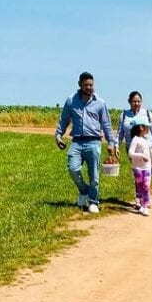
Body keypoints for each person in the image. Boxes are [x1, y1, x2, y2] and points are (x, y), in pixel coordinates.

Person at [55, 72, 117, 214]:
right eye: (86, 85)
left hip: (94, 142)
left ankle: (93, 202)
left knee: (94, 175)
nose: (89, 88)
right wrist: (58, 135)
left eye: (91, 85)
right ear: (80, 84)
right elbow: (64, 120)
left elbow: (106, 124)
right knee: (73, 169)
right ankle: (84, 191)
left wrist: (111, 143)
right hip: (76, 142)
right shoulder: (71, 100)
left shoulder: (100, 103)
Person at [128, 119, 152, 216]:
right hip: (137, 168)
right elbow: (130, 153)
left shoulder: (147, 140)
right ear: (141, 127)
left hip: (147, 168)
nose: (149, 128)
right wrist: (141, 156)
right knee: (140, 186)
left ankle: (145, 205)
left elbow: (150, 153)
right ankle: (142, 204)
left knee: (146, 186)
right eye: (147, 126)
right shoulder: (135, 140)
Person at [116, 90, 152, 156]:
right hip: (131, 149)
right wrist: (116, 145)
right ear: (129, 102)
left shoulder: (147, 114)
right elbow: (120, 133)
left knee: (146, 166)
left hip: (147, 149)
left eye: (139, 101)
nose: (137, 104)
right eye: (134, 101)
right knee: (135, 166)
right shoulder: (124, 115)